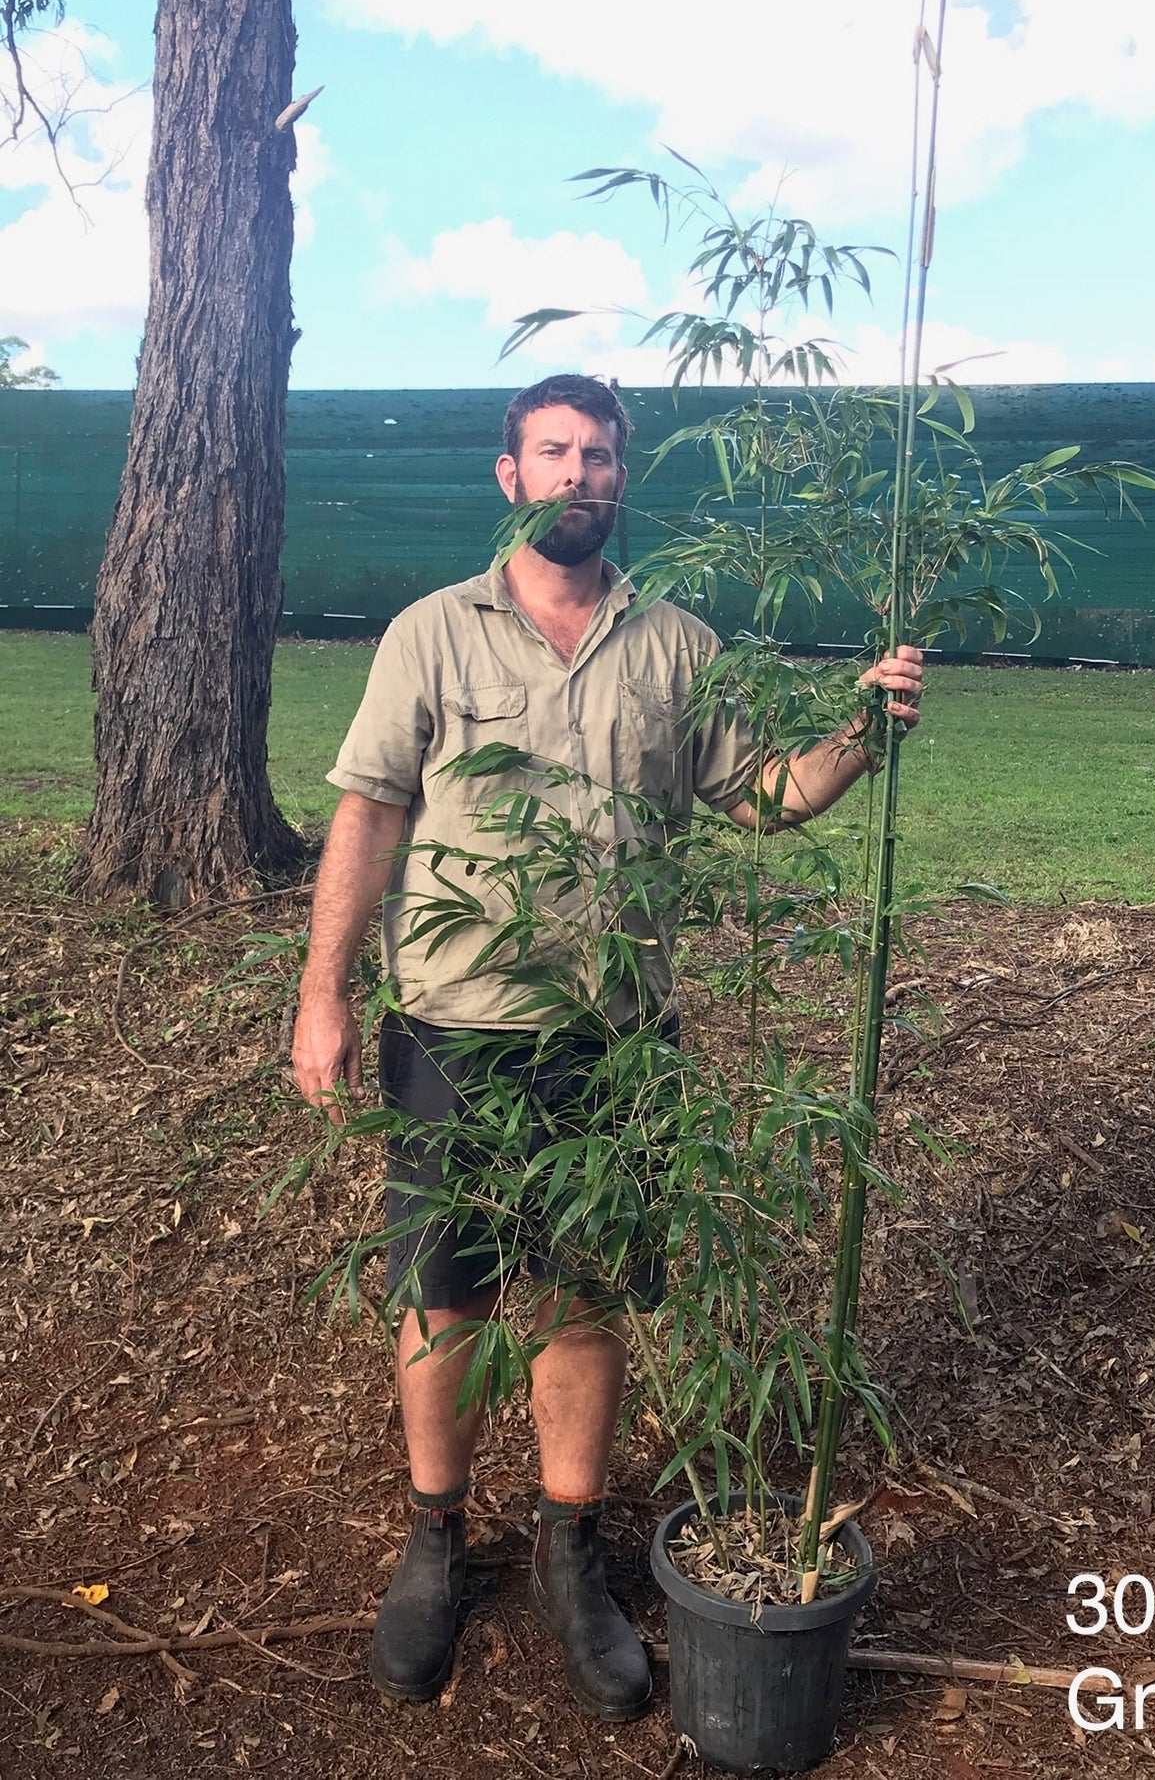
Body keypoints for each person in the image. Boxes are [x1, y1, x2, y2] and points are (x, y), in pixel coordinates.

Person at [290, 372, 924, 1718]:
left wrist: (860, 734)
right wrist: (322, 992)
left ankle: (571, 1547)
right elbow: (368, 814)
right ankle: (435, 1537)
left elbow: (760, 797)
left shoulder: (677, 642)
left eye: (600, 456)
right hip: (453, 1024)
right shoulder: (430, 634)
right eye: (554, 451)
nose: (580, 473)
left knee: (583, 1294)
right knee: (445, 1297)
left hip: (616, 1041)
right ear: (508, 473)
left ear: (620, 479)